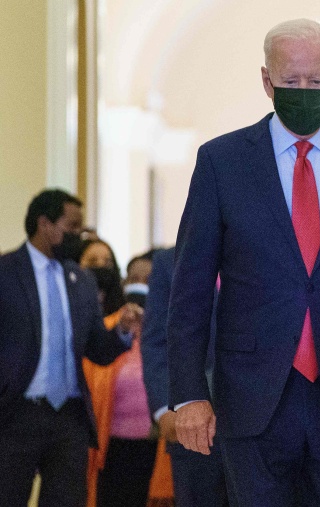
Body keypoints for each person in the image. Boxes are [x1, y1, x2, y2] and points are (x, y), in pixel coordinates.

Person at [167, 19, 320, 506]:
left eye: (315, 81)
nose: (304, 91)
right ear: (266, 80)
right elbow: (190, 286)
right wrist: (189, 393)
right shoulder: (222, 161)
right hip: (251, 398)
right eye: (291, 81)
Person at [0, 189, 141, 506]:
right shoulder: (6, 272)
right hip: (15, 413)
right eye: (72, 227)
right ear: (45, 224)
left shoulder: (81, 279)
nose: (80, 236)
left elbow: (97, 350)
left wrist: (120, 331)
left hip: (69, 418)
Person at [83, 250, 173, 507]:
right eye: (133, 278)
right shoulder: (109, 329)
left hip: (158, 447)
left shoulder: (173, 331)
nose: (140, 286)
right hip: (111, 449)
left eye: (148, 280)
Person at [142, 247, 228, 506]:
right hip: (193, 417)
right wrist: (163, 409)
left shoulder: (260, 250)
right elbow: (156, 340)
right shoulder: (170, 261)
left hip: (260, 417)